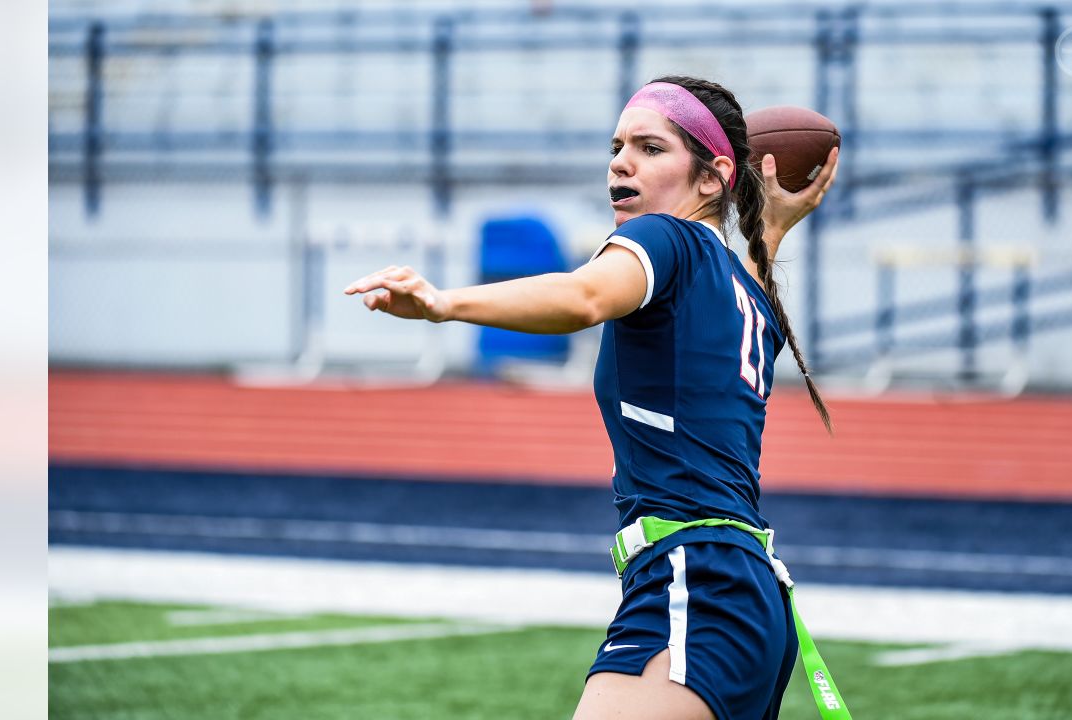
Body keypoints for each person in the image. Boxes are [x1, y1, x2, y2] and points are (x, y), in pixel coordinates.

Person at [344, 76, 843, 720]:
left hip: (694, 577)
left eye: (650, 147)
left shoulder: (670, 240)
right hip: (748, 589)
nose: (620, 161)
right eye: (616, 145)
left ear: (714, 176)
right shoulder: (748, 292)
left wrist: (444, 304)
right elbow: (742, 277)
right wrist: (771, 227)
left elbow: (585, 296)